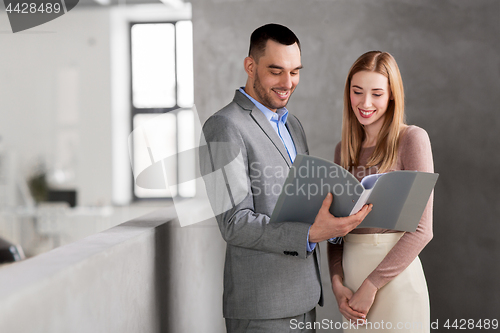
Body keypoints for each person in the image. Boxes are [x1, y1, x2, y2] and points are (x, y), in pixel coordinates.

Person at [200, 24, 372, 333]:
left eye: (295, 72)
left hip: (305, 299)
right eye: (276, 71)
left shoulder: (292, 124)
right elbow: (233, 223)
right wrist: (310, 233)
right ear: (250, 66)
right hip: (262, 309)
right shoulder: (222, 127)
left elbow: (302, 204)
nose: (287, 83)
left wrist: (335, 220)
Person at [327, 51, 434, 332]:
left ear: (391, 96)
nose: (365, 103)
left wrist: (372, 285)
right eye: (357, 92)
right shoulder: (343, 150)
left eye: (377, 93)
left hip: (394, 284)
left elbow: (423, 230)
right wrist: (337, 284)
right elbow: (336, 233)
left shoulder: (412, 139)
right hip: (351, 288)